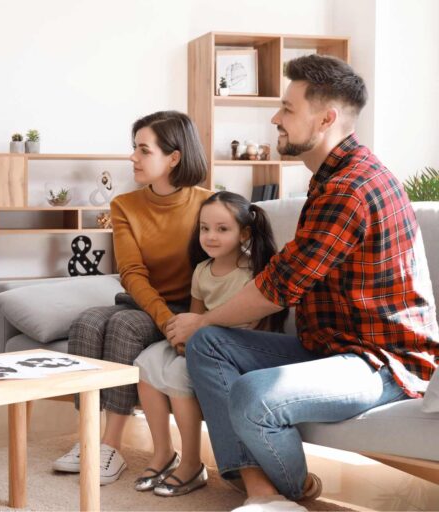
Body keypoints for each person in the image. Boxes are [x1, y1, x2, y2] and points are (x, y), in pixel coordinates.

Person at [168, 55, 439, 512]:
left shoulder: (350, 188)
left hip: (381, 362)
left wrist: (201, 319)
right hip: (331, 346)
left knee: (253, 394)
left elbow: (279, 287)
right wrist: (204, 328)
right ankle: (262, 491)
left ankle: (291, 489)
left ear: (326, 119)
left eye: (288, 109)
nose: (275, 118)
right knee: (209, 344)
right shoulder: (329, 178)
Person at [53, 111, 212, 484]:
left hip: (186, 308)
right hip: (147, 303)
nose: (133, 157)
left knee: (124, 325)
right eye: (134, 148)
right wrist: (164, 321)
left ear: (174, 157)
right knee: (86, 322)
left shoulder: (209, 204)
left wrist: (181, 322)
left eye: (144, 150)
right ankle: (88, 437)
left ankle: (110, 445)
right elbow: (132, 273)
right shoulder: (125, 205)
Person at [134, 191, 286, 497]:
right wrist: (181, 339)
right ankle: (163, 452)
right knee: (145, 364)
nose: (211, 236)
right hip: (201, 339)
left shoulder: (253, 273)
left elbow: (257, 328)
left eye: (222, 229)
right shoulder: (202, 271)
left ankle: (192, 463)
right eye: (205, 228)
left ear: (244, 233)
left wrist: (197, 341)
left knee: (178, 374)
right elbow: (195, 318)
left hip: (234, 348)